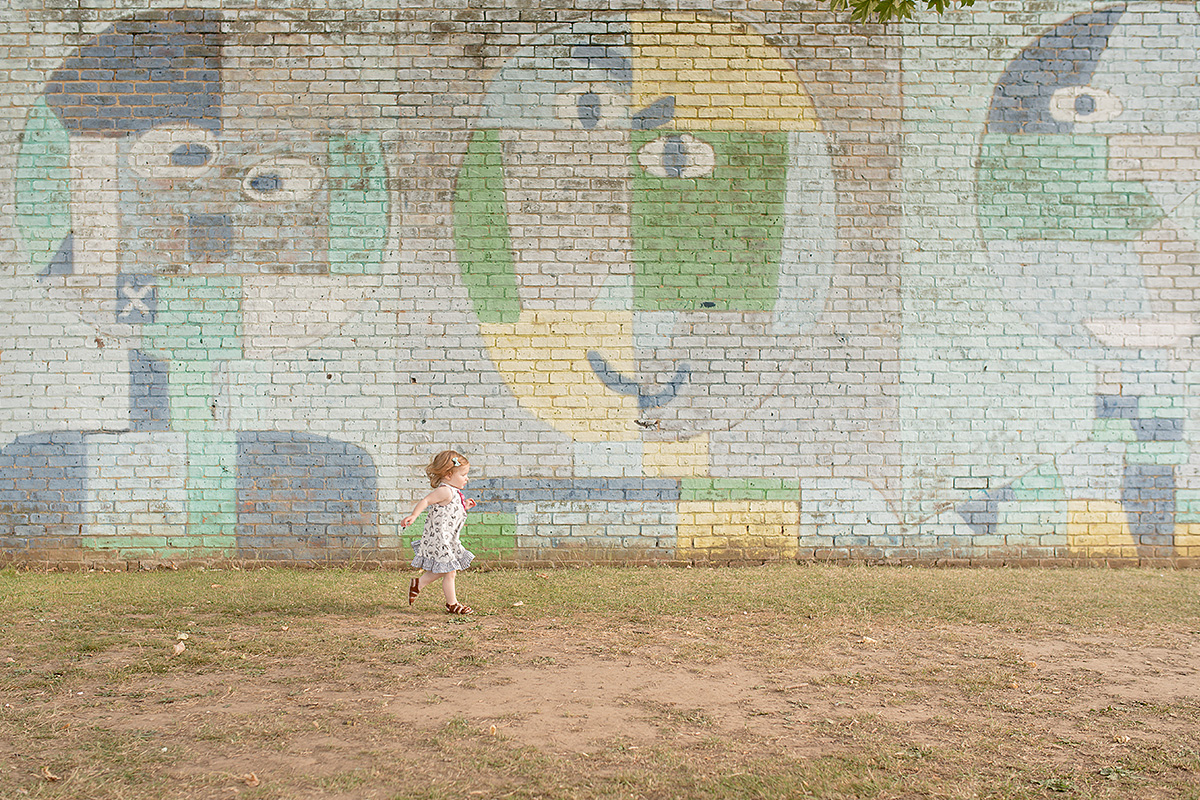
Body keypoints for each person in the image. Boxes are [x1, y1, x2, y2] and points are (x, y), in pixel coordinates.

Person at [401, 450, 478, 614]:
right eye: (463, 474)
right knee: (450, 570)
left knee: (446, 569)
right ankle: (452, 604)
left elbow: (451, 511)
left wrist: (465, 507)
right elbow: (426, 500)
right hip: (440, 539)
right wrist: (414, 515)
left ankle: (418, 584)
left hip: (449, 539)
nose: (467, 478)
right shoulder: (445, 491)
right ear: (449, 475)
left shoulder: (455, 492)